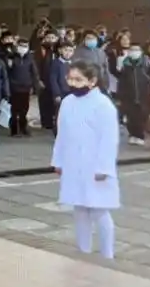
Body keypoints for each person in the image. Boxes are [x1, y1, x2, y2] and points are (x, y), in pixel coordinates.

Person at [51, 61, 120, 260]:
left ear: (92, 81)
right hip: (74, 162)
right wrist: (59, 160)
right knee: (79, 208)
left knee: (98, 209)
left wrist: (104, 167)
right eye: (70, 79)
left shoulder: (103, 105)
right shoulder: (68, 102)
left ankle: (107, 254)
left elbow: (109, 139)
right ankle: (83, 251)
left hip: (95, 163)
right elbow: (62, 134)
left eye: (78, 80)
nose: (73, 83)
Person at [117, 41, 150, 146]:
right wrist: (120, 95)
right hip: (129, 95)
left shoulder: (146, 63)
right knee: (131, 116)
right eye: (132, 50)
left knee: (142, 116)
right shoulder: (126, 64)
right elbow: (121, 81)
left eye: (136, 50)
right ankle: (133, 135)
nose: (134, 52)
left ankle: (140, 135)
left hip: (143, 93)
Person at [6, 36, 40, 137]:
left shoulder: (30, 58)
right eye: (21, 46)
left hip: (26, 87)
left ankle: (23, 127)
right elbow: (7, 72)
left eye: (25, 46)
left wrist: (35, 85)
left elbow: (34, 73)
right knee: (14, 109)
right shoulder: (11, 57)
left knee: (24, 109)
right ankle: (14, 129)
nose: (23, 48)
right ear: (17, 46)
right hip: (14, 87)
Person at [50, 40, 75, 131]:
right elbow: (53, 80)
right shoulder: (56, 63)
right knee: (60, 113)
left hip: (71, 93)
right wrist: (57, 94)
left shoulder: (73, 64)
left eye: (70, 50)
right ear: (60, 50)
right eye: (66, 50)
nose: (68, 53)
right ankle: (58, 132)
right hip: (61, 93)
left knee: (71, 114)